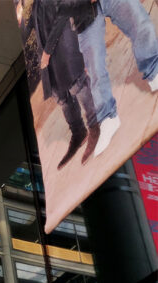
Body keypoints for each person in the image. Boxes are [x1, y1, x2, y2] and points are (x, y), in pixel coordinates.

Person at [58, 0, 158, 158]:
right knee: (95, 67)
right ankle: (108, 118)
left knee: (140, 22)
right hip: (82, 14)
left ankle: (154, 70)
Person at [17, 0, 98, 169]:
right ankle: (78, 132)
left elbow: (62, 17)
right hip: (47, 53)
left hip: (63, 44)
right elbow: (28, 28)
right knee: (60, 95)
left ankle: (94, 125)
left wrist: (47, 52)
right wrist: (21, 17)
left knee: (77, 84)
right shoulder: (34, 5)